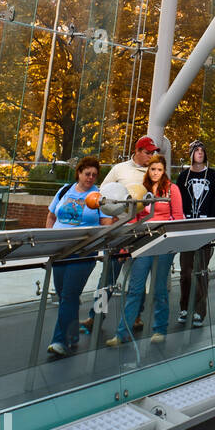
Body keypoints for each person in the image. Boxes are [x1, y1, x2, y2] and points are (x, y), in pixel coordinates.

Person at [81, 135, 158, 337]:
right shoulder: (119, 169)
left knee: (138, 278)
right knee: (107, 275)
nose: (151, 156)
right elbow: (102, 195)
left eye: (153, 153)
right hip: (118, 230)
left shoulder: (155, 173)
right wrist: (108, 220)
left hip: (142, 230)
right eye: (148, 152)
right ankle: (96, 315)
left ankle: (136, 315)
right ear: (138, 151)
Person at [106, 153, 183, 348]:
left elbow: (178, 217)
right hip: (142, 243)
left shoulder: (172, 190)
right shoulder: (140, 190)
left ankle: (159, 329)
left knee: (159, 289)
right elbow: (133, 218)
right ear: (148, 170)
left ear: (164, 171)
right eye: (152, 169)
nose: (156, 173)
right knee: (135, 289)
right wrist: (126, 245)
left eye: (159, 169)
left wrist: (168, 236)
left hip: (163, 244)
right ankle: (122, 332)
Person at [45, 156, 112, 357]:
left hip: (83, 252)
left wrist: (95, 239)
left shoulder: (99, 196)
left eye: (94, 175)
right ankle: (72, 335)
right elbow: (51, 216)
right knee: (65, 294)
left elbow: (107, 223)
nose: (90, 178)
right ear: (79, 173)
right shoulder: (65, 190)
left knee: (69, 295)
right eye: (87, 174)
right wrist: (48, 239)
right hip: (59, 250)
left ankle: (60, 341)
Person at [176, 139, 215, 326]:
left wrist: (213, 227)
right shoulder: (183, 176)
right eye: (196, 150)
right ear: (191, 153)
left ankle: (199, 311)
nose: (200, 153)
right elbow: (178, 203)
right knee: (186, 271)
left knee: (201, 270)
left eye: (202, 150)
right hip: (186, 228)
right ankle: (184, 307)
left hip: (205, 227)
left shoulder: (213, 175)